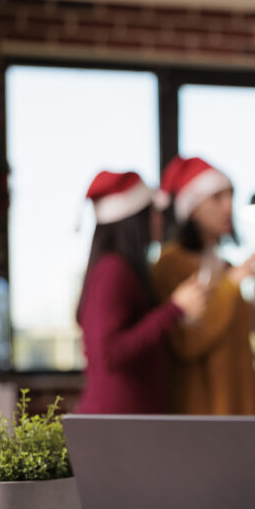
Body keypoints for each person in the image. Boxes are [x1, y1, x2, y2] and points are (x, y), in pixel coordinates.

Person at [76, 171, 206, 414]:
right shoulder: (113, 271)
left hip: (126, 419)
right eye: (152, 212)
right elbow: (109, 353)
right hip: (117, 423)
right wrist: (174, 309)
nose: (158, 219)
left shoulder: (116, 269)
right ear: (136, 219)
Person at [151, 156, 255, 415]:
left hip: (238, 410)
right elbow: (188, 341)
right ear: (192, 207)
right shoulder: (170, 265)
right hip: (198, 416)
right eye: (217, 198)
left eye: (231, 197)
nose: (228, 207)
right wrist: (231, 285)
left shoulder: (225, 266)